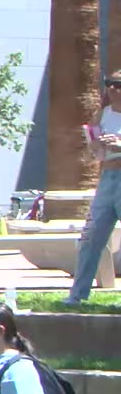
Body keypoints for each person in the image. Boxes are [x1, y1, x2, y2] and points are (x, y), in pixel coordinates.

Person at [68, 75, 121, 305]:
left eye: (118, 85)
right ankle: (77, 296)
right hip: (108, 178)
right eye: (109, 83)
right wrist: (96, 144)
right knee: (91, 238)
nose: (112, 88)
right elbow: (95, 149)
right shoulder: (103, 113)